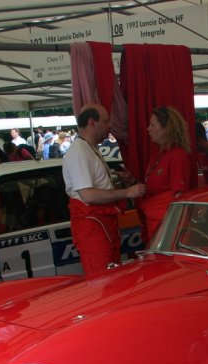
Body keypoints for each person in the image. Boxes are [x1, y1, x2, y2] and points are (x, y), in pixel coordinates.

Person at [62, 103, 146, 275]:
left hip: (102, 224)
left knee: (112, 276)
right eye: (106, 121)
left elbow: (95, 187)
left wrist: (117, 182)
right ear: (92, 123)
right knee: (102, 279)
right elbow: (88, 195)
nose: (110, 126)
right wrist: (127, 192)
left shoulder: (89, 148)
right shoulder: (79, 152)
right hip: (92, 226)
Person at [139, 106, 191, 241]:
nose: (148, 129)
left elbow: (179, 196)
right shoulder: (158, 154)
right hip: (155, 220)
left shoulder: (177, 155)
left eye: (152, 125)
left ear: (166, 128)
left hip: (167, 225)